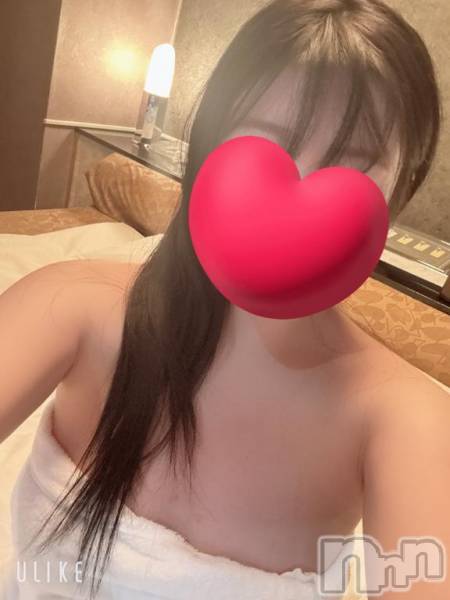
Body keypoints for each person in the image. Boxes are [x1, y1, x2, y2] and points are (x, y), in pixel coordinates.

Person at [1, 0, 448, 598]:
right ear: (208, 143)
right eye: (270, 141)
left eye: (354, 161)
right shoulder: (72, 305)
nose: (302, 187)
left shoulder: (405, 416)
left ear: (400, 191)